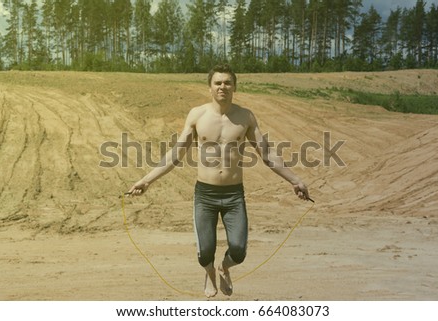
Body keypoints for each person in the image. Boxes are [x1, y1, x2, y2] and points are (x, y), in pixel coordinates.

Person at [128, 64, 311, 298]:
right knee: (204, 251)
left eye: (227, 82)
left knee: (239, 250)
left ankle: (224, 267)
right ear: (210, 88)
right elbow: (175, 154)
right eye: (218, 83)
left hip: (234, 195)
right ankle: (209, 272)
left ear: (234, 86)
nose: (222, 86)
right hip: (205, 195)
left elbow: (266, 154)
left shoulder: (245, 117)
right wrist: (146, 180)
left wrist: (295, 180)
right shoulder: (197, 115)